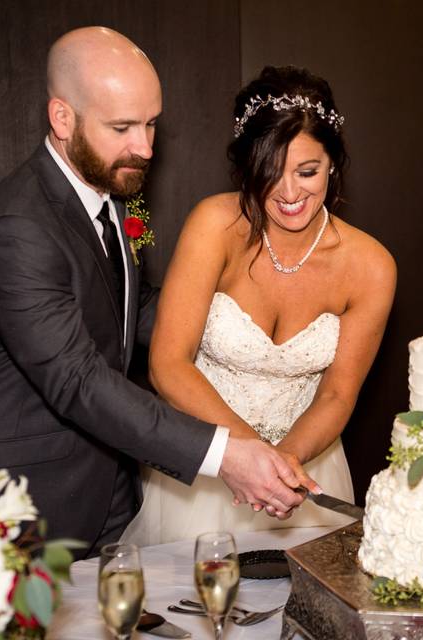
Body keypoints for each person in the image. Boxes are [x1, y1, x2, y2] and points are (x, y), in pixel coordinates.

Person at [0, 28, 313, 558]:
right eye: (122, 127)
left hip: (107, 486)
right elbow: (76, 379)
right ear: (62, 118)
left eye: (152, 123)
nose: (145, 147)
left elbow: (125, 315)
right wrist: (223, 454)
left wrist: (253, 327)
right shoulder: (16, 229)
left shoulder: (106, 191)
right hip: (17, 505)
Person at [119, 66, 396, 545]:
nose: (289, 193)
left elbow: (337, 395)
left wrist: (283, 465)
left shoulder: (371, 266)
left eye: (307, 171)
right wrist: (247, 457)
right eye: (269, 173)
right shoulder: (214, 226)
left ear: (334, 162)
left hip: (305, 471)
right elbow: (168, 365)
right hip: (207, 469)